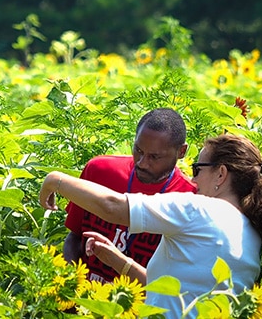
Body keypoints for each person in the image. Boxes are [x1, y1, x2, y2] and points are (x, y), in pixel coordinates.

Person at [41, 132, 262, 316]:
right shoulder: (251, 234)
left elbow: (114, 207)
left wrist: (56, 180)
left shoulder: (197, 209)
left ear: (221, 173)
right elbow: (178, 292)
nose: (192, 181)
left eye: (197, 169)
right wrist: (120, 262)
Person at [62, 108, 195, 283]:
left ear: (181, 152)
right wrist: (72, 283)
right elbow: (74, 237)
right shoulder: (99, 171)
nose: (142, 163)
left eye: (154, 157)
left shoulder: (190, 199)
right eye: (138, 150)